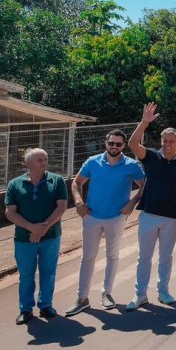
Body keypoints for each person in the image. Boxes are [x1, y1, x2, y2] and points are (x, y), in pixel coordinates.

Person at [66, 129, 146, 317]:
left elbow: (145, 185)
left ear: (124, 146)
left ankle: (106, 293)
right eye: (111, 143)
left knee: (112, 255)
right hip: (92, 216)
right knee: (87, 257)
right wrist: (79, 202)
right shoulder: (92, 162)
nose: (114, 147)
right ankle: (82, 298)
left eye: (118, 144)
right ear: (106, 143)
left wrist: (132, 203)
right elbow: (76, 183)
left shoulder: (132, 165)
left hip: (116, 217)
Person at [126, 103, 176, 310]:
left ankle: (163, 291)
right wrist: (144, 122)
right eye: (164, 141)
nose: (167, 144)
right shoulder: (152, 157)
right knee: (144, 257)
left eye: (171, 141)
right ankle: (140, 295)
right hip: (149, 215)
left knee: (166, 257)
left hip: (172, 216)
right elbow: (133, 144)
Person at [5, 149, 68, 324]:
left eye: (45, 159)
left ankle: (46, 305)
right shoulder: (15, 184)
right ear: (28, 163)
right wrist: (32, 228)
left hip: (51, 237)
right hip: (24, 239)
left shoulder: (56, 181)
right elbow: (10, 212)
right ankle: (25, 309)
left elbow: (62, 207)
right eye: (39, 159)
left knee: (48, 273)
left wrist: (44, 228)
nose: (44, 162)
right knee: (26, 275)